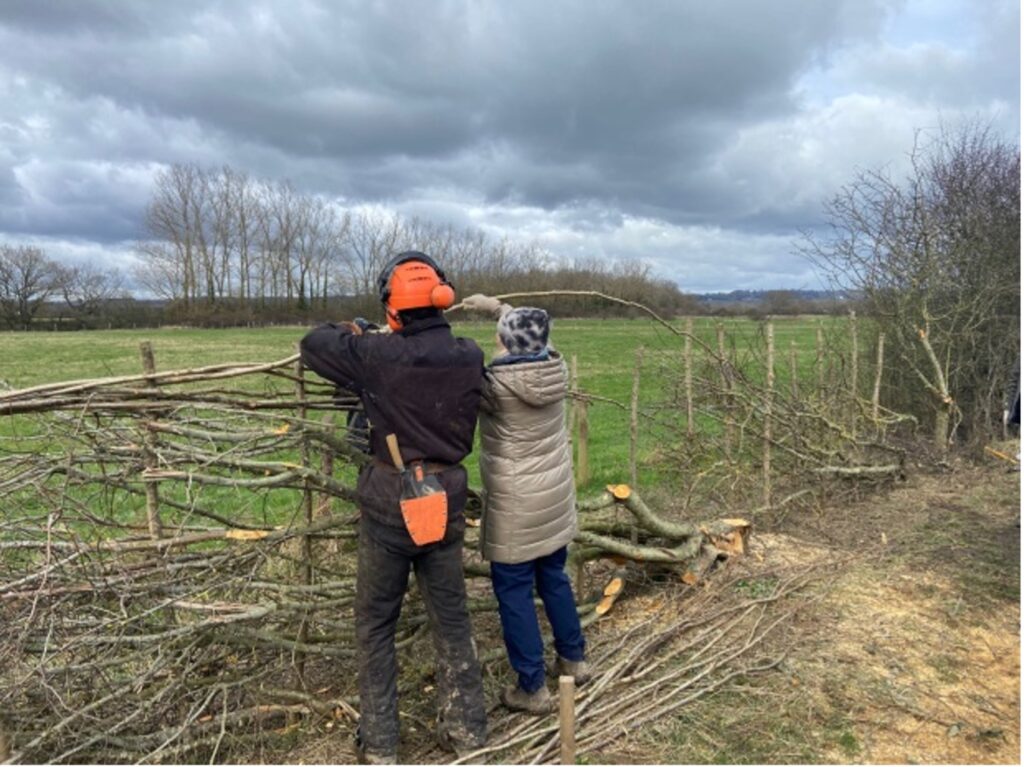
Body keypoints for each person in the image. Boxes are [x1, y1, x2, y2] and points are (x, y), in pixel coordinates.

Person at [300, 253, 487, 764]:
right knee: (452, 620)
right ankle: (468, 730)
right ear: (442, 299)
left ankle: (381, 744)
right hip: (445, 494)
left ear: (393, 309)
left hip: (390, 501)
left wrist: (358, 334)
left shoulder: (378, 356)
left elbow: (314, 344)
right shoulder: (469, 353)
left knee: (376, 624)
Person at [461, 293, 591, 714]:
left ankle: (532, 688)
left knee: (514, 591)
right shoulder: (556, 366)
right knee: (553, 577)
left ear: (504, 344)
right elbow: (531, 337)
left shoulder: (494, 387)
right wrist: (498, 308)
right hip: (554, 498)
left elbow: (453, 372)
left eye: (498, 337)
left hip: (516, 505)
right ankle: (574, 658)